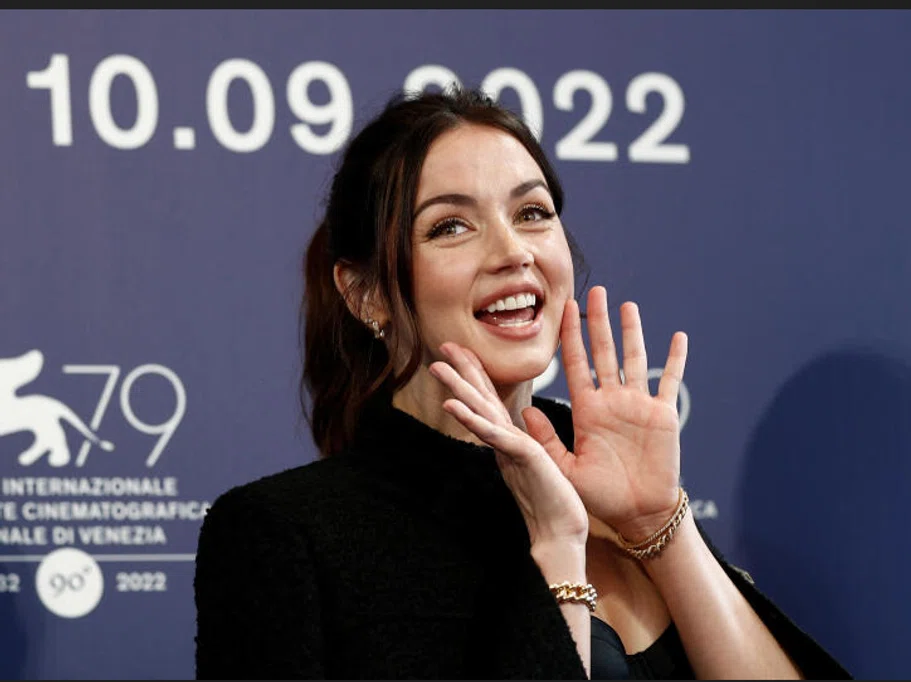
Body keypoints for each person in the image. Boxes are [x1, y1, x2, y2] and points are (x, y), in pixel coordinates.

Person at [193, 85, 851, 680]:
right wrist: (557, 552)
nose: (513, 251)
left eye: (532, 212)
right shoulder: (286, 536)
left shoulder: (606, 467)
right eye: (451, 226)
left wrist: (660, 526)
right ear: (367, 294)